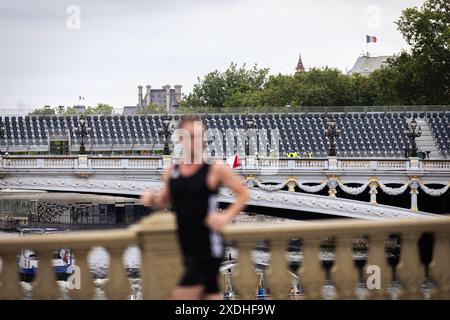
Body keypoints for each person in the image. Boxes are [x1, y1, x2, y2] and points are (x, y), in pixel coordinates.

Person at [140, 114, 249, 300]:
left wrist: (225, 216)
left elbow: (243, 194)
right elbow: (164, 202)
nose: (196, 141)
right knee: (210, 296)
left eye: (199, 136)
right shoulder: (171, 173)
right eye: (190, 135)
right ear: (180, 139)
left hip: (208, 247)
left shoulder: (215, 170)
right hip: (186, 246)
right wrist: (152, 199)